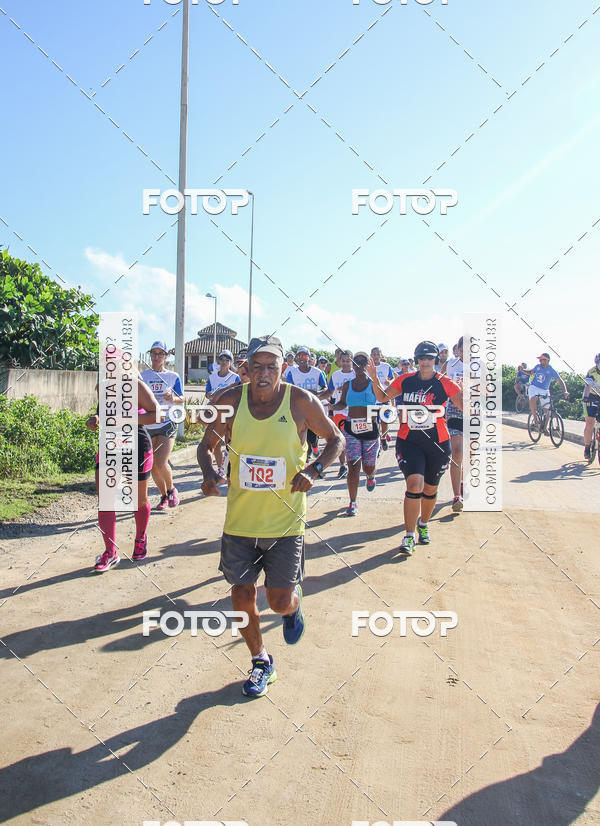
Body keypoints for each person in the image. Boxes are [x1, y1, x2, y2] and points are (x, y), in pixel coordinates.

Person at [198, 335, 344, 697]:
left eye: (272, 367)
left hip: (285, 521)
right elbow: (206, 446)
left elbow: (336, 438)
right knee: (241, 593)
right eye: (257, 366)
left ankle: (292, 607)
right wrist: (208, 474)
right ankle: (261, 660)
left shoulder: (301, 402)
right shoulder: (229, 400)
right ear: (245, 368)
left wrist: (314, 470)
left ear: (283, 368)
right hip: (240, 521)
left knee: (277, 600)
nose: (264, 374)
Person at [367, 341, 462, 555]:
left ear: (435, 361)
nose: (425, 362)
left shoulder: (445, 383)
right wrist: (374, 378)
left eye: (429, 358)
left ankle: (424, 524)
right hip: (409, 440)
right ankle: (409, 535)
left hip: (438, 442)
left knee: (430, 489)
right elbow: (382, 397)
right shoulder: (405, 380)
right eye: (421, 358)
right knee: (415, 483)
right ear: (417, 360)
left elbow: (465, 405)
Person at [86, 375, 162, 571]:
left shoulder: (135, 386)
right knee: (106, 500)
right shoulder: (101, 386)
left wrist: (126, 419)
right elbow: (102, 413)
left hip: (136, 444)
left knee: (139, 500)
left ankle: (140, 538)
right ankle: (110, 552)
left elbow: (156, 414)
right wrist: (95, 419)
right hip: (110, 446)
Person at [333, 351, 379, 515]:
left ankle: (370, 476)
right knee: (353, 465)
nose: (359, 365)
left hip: (370, 429)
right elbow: (342, 403)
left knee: (368, 466)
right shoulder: (348, 385)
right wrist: (330, 407)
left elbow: (384, 398)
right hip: (351, 428)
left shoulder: (373, 384)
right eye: (356, 361)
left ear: (368, 364)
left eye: (363, 362)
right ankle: (352, 502)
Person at [140, 341, 185, 511]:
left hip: (167, 422)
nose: (157, 357)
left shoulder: (173, 377)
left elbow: (182, 398)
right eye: (154, 353)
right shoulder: (142, 376)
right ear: (150, 355)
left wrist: (172, 398)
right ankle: (164, 495)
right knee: (152, 466)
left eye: (160, 354)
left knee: (161, 462)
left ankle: (172, 488)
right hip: (148, 423)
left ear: (166, 357)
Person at [284, 346, 329, 458]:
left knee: (313, 436)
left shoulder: (317, 372)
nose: (302, 358)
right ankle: (306, 457)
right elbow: (288, 389)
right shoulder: (292, 373)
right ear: (297, 358)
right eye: (300, 355)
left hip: (313, 407)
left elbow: (325, 388)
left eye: (305, 355)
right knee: (300, 433)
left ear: (309, 357)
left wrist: (316, 393)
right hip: (298, 409)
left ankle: (314, 447)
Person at [205, 349, 241, 476]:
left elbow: (239, 395)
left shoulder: (235, 377)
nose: (224, 361)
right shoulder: (212, 377)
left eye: (227, 359)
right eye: (222, 359)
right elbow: (207, 393)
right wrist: (210, 395)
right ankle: (220, 468)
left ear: (231, 362)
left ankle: (231, 466)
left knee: (229, 442)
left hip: (231, 414)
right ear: (218, 361)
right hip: (216, 413)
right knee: (216, 442)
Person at [522, 353, 568, 430]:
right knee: (532, 398)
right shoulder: (538, 367)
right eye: (540, 359)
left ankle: (544, 428)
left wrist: (565, 391)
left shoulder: (551, 370)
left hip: (544, 390)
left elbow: (560, 381)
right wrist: (523, 370)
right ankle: (535, 419)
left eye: (542, 359)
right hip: (534, 387)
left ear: (547, 360)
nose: (540, 361)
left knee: (548, 412)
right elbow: (530, 372)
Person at [328, 350, 355, 479]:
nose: (345, 363)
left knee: (354, 440)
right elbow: (329, 392)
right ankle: (342, 466)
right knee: (340, 439)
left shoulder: (358, 374)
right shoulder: (335, 375)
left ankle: (354, 465)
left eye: (348, 361)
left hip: (356, 411)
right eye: (343, 361)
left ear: (352, 361)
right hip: (340, 411)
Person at [445, 338, 465, 512]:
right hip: (454, 409)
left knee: (469, 454)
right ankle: (456, 495)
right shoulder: (451, 365)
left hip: (473, 412)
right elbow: (441, 382)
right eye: (463, 349)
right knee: (457, 452)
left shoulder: (480, 366)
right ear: (458, 350)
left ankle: (462, 480)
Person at [370, 347, 394, 450]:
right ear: (371, 355)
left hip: (384, 397)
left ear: (381, 355)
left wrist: (390, 382)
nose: (375, 356)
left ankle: (383, 438)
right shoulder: (368, 367)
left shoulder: (386, 366)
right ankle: (376, 441)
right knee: (373, 422)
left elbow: (392, 378)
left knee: (385, 421)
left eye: (377, 354)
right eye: (373, 354)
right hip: (372, 399)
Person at [583, 354, 600, 460]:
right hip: (591, 397)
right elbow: (588, 386)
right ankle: (587, 447)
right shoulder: (592, 372)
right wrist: (586, 397)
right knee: (590, 423)